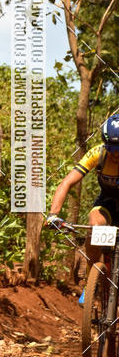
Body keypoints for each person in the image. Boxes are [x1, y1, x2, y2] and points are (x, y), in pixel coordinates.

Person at [47, 114, 119, 292]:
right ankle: (91, 279)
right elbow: (67, 182)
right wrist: (53, 215)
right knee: (94, 225)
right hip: (108, 202)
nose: (116, 154)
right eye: (112, 149)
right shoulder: (99, 153)